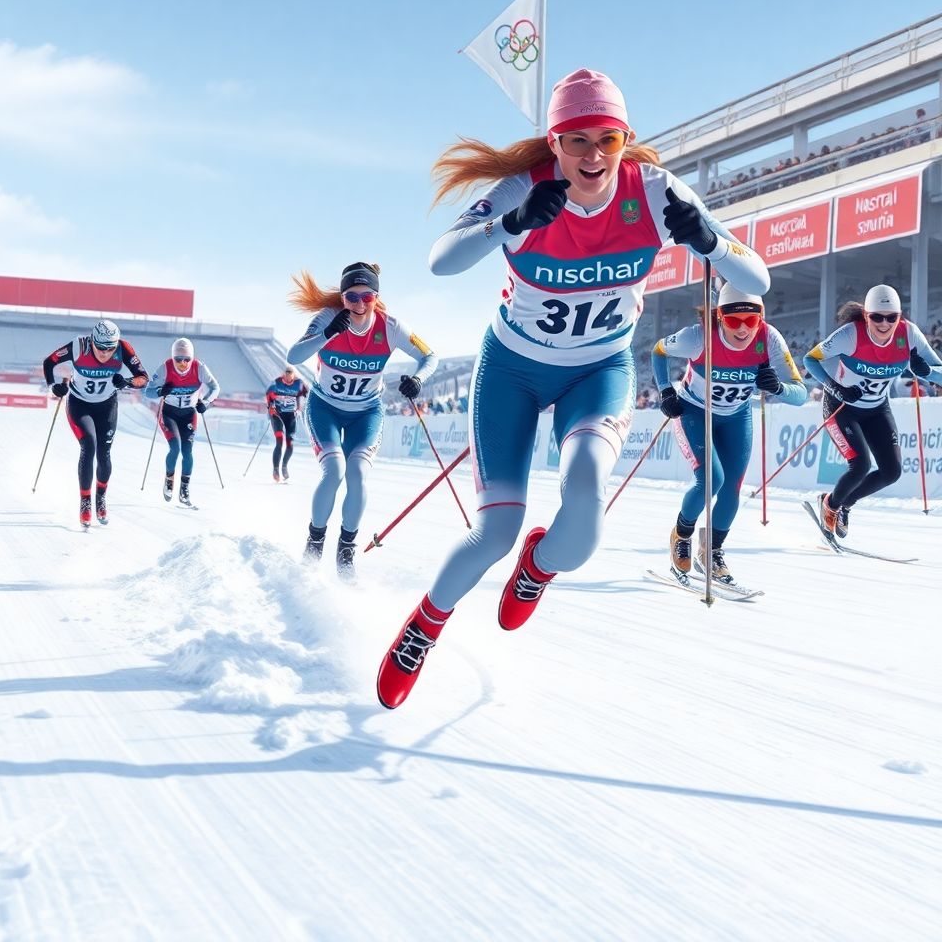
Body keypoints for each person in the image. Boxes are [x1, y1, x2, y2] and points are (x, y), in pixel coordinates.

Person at [376, 68, 770, 709]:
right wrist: (508, 225)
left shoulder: (656, 190)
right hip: (513, 370)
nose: (593, 156)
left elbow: (757, 277)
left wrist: (710, 240)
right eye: (576, 140)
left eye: (607, 140)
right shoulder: (524, 189)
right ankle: (423, 627)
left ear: (626, 139)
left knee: (584, 516)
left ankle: (539, 567)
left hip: (600, 371)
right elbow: (441, 259)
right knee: (495, 532)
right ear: (553, 143)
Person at [286, 262, 438, 580]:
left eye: (366, 297)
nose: (358, 304)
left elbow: (429, 355)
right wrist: (327, 334)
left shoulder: (391, 326)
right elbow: (294, 357)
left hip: (366, 412)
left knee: (356, 473)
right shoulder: (328, 319)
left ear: (376, 297)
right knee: (334, 472)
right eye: (351, 297)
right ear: (343, 298)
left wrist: (419, 380)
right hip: (325, 407)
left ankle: (346, 552)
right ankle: (314, 543)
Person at [652, 284, 807, 584]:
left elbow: (800, 394)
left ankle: (711, 552)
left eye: (751, 320)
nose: (743, 328)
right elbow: (659, 350)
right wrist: (664, 391)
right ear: (720, 316)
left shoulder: (769, 338)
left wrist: (777, 388)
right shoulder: (697, 336)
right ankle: (681, 535)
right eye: (734, 321)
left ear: (760, 318)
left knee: (731, 487)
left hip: (737, 416)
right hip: (694, 412)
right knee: (711, 479)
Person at [804, 284, 942, 537]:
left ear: (900, 317)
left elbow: (939, 372)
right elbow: (810, 359)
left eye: (891, 317)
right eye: (876, 317)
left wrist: (928, 372)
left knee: (892, 472)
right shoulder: (850, 334)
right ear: (866, 316)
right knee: (860, 465)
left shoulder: (909, 334)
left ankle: (843, 503)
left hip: (877, 408)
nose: (884, 324)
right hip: (842, 406)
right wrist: (836, 388)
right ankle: (830, 505)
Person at [43, 318, 148, 527]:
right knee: (89, 445)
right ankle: (85, 501)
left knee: (104, 454)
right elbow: (49, 362)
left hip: (106, 406)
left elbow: (143, 377)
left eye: (110, 348)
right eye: (99, 347)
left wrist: (126, 382)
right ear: (92, 341)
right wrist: (53, 387)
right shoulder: (78, 346)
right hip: (79, 404)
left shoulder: (124, 348)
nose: (104, 352)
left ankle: (100, 497)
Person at [144, 337, 220, 507]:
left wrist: (205, 402)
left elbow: (216, 387)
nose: (183, 363)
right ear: (173, 358)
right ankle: (169, 479)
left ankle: (184, 489)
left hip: (189, 414)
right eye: (178, 359)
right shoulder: (165, 368)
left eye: (187, 359)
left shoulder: (199, 368)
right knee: (175, 448)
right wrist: (159, 390)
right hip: (169, 413)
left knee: (187, 451)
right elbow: (147, 391)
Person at [266, 364, 309, 482]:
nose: (288, 376)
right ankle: (276, 469)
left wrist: (299, 409)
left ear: (294, 375)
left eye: (290, 373)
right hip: (277, 415)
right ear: (283, 374)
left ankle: (284, 466)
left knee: (290, 443)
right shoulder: (276, 383)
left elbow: (306, 395)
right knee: (279, 441)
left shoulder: (299, 384)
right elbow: (269, 397)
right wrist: (271, 407)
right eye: (286, 373)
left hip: (290, 415)